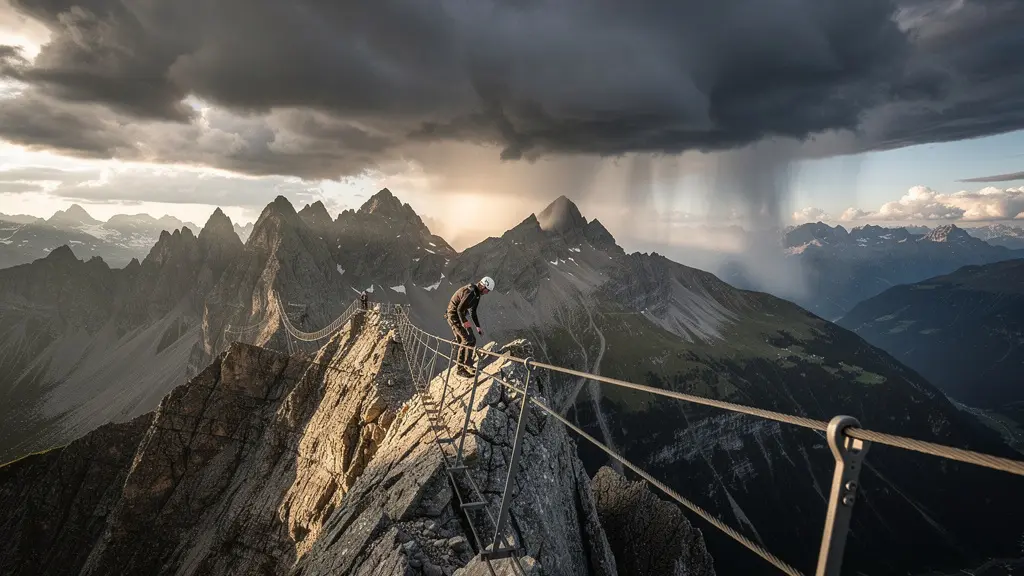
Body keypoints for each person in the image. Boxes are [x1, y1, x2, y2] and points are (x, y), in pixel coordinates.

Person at [446, 276, 494, 377]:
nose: (487, 293)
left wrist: (478, 327)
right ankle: (460, 369)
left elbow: (473, 312)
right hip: (454, 316)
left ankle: (468, 363)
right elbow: (459, 309)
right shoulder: (470, 292)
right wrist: (464, 322)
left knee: (472, 339)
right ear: (483, 286)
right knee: (466, 340)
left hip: (460, 316)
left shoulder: (476, 294)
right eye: (487, 290)